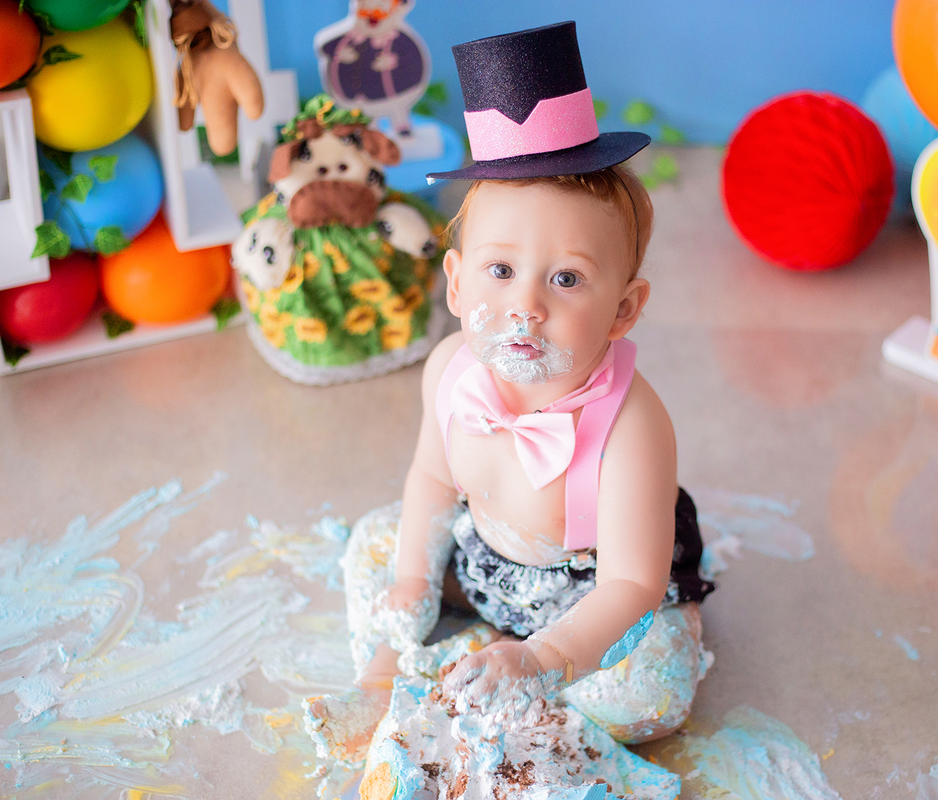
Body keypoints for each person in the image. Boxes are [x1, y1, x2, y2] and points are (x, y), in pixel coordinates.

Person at [305, 21, 715, 766]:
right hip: (486, 562)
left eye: (565, 279)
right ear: (457, 284)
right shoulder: (451, 369)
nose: (526, 305)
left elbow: (629, 582)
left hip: (590, 596)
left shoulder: (633, 426)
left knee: (653, 688)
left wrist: (545, 656)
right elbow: (433, 478)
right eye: (500, 272)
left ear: (624, 310)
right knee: (377, 544)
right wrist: (410, 580)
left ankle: (516, 686)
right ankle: (387, 673)